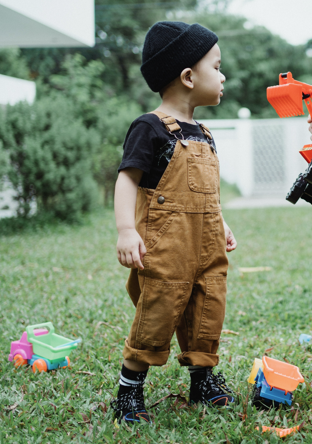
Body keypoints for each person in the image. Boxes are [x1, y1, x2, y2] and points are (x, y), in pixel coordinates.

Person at [112, 21, 238, 423]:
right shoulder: (149, 128)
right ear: (188, 77)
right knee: (158, 312)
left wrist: (222, 223)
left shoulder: (204, 132)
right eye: (216, 67)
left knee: (208, 308)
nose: (223, 76)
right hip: (166, 248)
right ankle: (129, 392)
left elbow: (207, 192)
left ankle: (202, 380)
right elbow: (127, 178)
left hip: (206, 245)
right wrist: (126, 230)